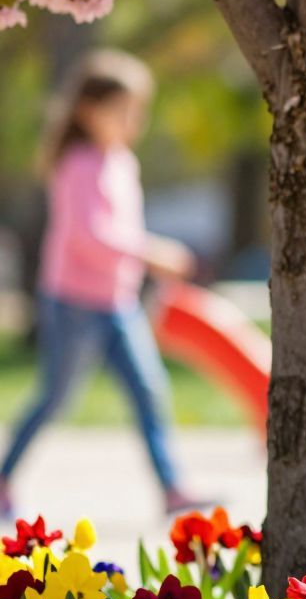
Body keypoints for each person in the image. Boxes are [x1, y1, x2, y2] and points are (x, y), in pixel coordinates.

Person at [2, 50, 202, 522]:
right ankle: (5, 478)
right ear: (88, 111)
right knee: (55, 398)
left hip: (118, 304)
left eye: (138, 112)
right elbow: (87, 236)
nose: (133, 121)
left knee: (148, 390)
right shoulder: (77, 165)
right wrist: (151, 253)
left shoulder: (121, 162)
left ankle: (172, 487)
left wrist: (139, 271)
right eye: (123, 110)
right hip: (73, 304)